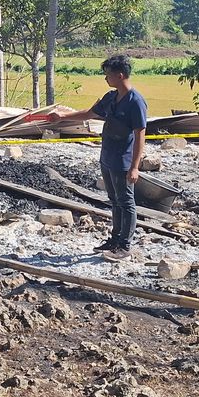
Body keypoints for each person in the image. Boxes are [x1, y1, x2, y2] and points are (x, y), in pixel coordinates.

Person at [47, 55, 147, 260]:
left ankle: (124, 245)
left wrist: (135, 166)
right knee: (114, 200)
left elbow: (140, 135)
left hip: (123, 160)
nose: (106, 79)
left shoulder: (135, 102)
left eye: (108, 75)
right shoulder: (111, 97)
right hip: (107, 156)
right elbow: (90, 113)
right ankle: (114, 239)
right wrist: (63, 116)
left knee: (126, 202)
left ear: (120, 75)